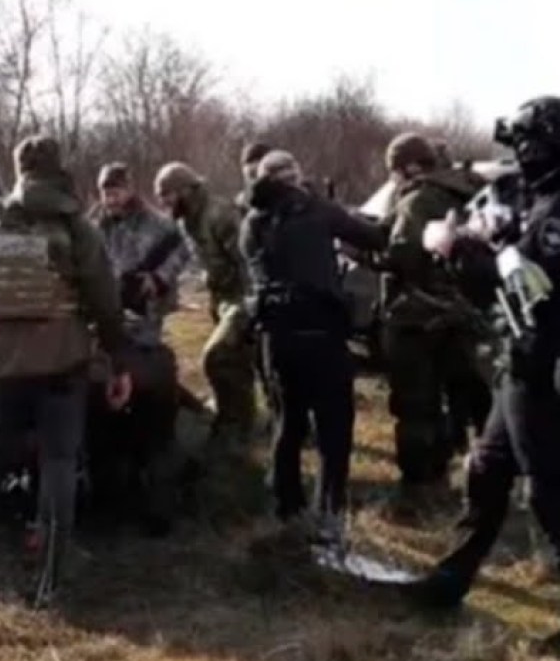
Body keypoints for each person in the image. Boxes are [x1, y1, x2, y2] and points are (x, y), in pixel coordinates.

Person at [0, 135, 132, 593]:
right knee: (60, 459)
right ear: (58, 168)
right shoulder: (76, 228)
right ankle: (51, 572)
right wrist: (119, 362)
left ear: (18, 169)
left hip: (1, 366)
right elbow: (106, 303)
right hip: (62, 363)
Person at [406, 97, 560, 624]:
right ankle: (451, 579)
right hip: (523, 359)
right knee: (488, 468)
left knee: (549, 491)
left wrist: (459, 250)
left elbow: (526, 287)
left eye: (522, 143)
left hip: (545, 365)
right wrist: (484, 238)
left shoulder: (555, 208)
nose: (518, 154)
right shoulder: (536, 197)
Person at [241, 150, 387, 545]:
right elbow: (374, 237)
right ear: (296, 177)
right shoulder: (318, 210)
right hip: (321, 333)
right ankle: (330, 513)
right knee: (334, 426)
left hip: (276, 336)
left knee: (288, 423)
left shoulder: (252, 221)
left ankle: (286, 509)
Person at [380, 132, 491, 518]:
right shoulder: (469, 191)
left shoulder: (418, 199)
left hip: (416, 317)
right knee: (457, 402)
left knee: (414, 405)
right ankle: (460, 483)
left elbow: (405, 257)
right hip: (460, 315)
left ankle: (419, 491)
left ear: (409, 166)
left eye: (395, 170)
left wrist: (365, 249)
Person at [87, 162, 189, 535]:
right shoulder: (95, 224)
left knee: (154, 423)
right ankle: (109, 500)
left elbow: (182, 251)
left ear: (130, 188)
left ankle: (158, 508)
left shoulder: (158, 225)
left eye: (116, 190)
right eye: (105, 191)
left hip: (144, 327)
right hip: (103, 326)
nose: (110, 198)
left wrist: (157, 281)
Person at [154, 161, 256, 445]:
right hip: (220, 296)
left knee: (217, 356)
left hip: (241, 296)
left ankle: (235, 426)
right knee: (237, 366)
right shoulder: (187, 219)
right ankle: (239, 423)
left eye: (167, 194)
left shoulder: (219, 215)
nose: (163, 202)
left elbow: (247, 259)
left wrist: (250, 304)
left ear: (186, 190)